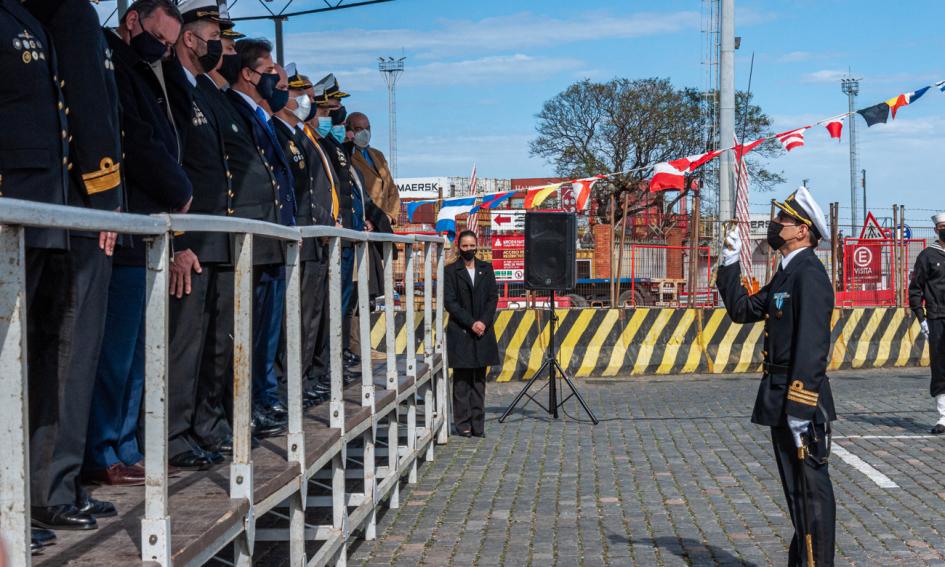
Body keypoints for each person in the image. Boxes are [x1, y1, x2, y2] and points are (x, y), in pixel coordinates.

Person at [18, 0, 123, 541]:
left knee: (63, 359)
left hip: (59, 208)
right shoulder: (56, 17)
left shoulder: (47, 17)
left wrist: (101, 198)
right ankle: (39, 492)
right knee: (43, 359)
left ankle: (50, 488)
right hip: (37, 210)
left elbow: (86, 111)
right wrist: (101, 198)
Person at [0, 0, 100, 536]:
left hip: (40, 212)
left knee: (28, 360)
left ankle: (21, 497)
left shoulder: (32, 20)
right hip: (11, 208)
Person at [91, 0, 193, 482]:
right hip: (125, 220)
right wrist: (181, 190)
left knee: (136, 353)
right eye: (161, 39)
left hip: (146, 227)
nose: (165, 52)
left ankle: (127, 444)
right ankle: (106, 450)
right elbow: (136, 141)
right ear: (133, 21)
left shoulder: (148, 71)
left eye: (172, 46)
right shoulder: (114, 64)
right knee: (115, 351)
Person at [716, 186, 836, 566]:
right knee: (797, 496)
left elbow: (813, 344)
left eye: (783, 219)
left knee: (811, 498)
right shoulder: (786, 274)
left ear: (803, 230)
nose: (775, 224)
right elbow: (742, 309)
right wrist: (730, 261)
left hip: (801, 401)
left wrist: (801, 406)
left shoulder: (809, 274)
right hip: (780, 395)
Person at [162, 0, 232, 467]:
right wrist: (180, 239)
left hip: (214, 237)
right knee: (182, 345)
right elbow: (171, 165)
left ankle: (201, 426)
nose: (218, 45)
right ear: (190, 38)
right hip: (190, 236)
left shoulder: (202, 89)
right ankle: (173, 433)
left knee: (212, 342)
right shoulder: (170, 86)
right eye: (212, 35)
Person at [221, 38, 294, 436]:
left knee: (266, 332)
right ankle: (248, 404)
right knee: (247, 332)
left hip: (271, 240)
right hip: (250, 239)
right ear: (248, 74)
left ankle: (262, 399)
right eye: (269, 73)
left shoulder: (261, 118)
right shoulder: (233, 109)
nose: (276, 83)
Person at [273, 65, 336, 406]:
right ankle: (289, 383)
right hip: (299, 237)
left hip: (315, 238)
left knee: (311, 316)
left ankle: (303, 378)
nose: (307, 103)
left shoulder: (304, 139)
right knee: (294, 318)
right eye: (302, 95)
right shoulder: (284, 135)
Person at [443, 230, 499, 438]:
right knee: (461, 381)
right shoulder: (450, 271)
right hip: (461, 332)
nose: (468, 249)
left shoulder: (487, 268)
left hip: (482, 332)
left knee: (478, 381)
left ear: (477, 246)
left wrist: (483, 322)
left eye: (471, 245)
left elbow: (492, 298)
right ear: (459, 247)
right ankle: (463, 424)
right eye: (464, 246)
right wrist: (471, 322)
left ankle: (478, 424)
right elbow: (451, 302)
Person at [908, 213, 945, 434]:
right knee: (940, 366)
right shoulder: (927, 256)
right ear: (935, 230)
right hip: (937, 318)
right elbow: (915, 290)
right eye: (942, 226)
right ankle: (943, 417)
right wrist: (921, 319)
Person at [348, 111, 401, 225]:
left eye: (367, 128)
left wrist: (390, 216)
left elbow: (392, 190)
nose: (365, 132)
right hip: (365, 223)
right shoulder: (347, 156)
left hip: (383, 222)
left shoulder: (378, 155)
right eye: (359, 129)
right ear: (349, 130)